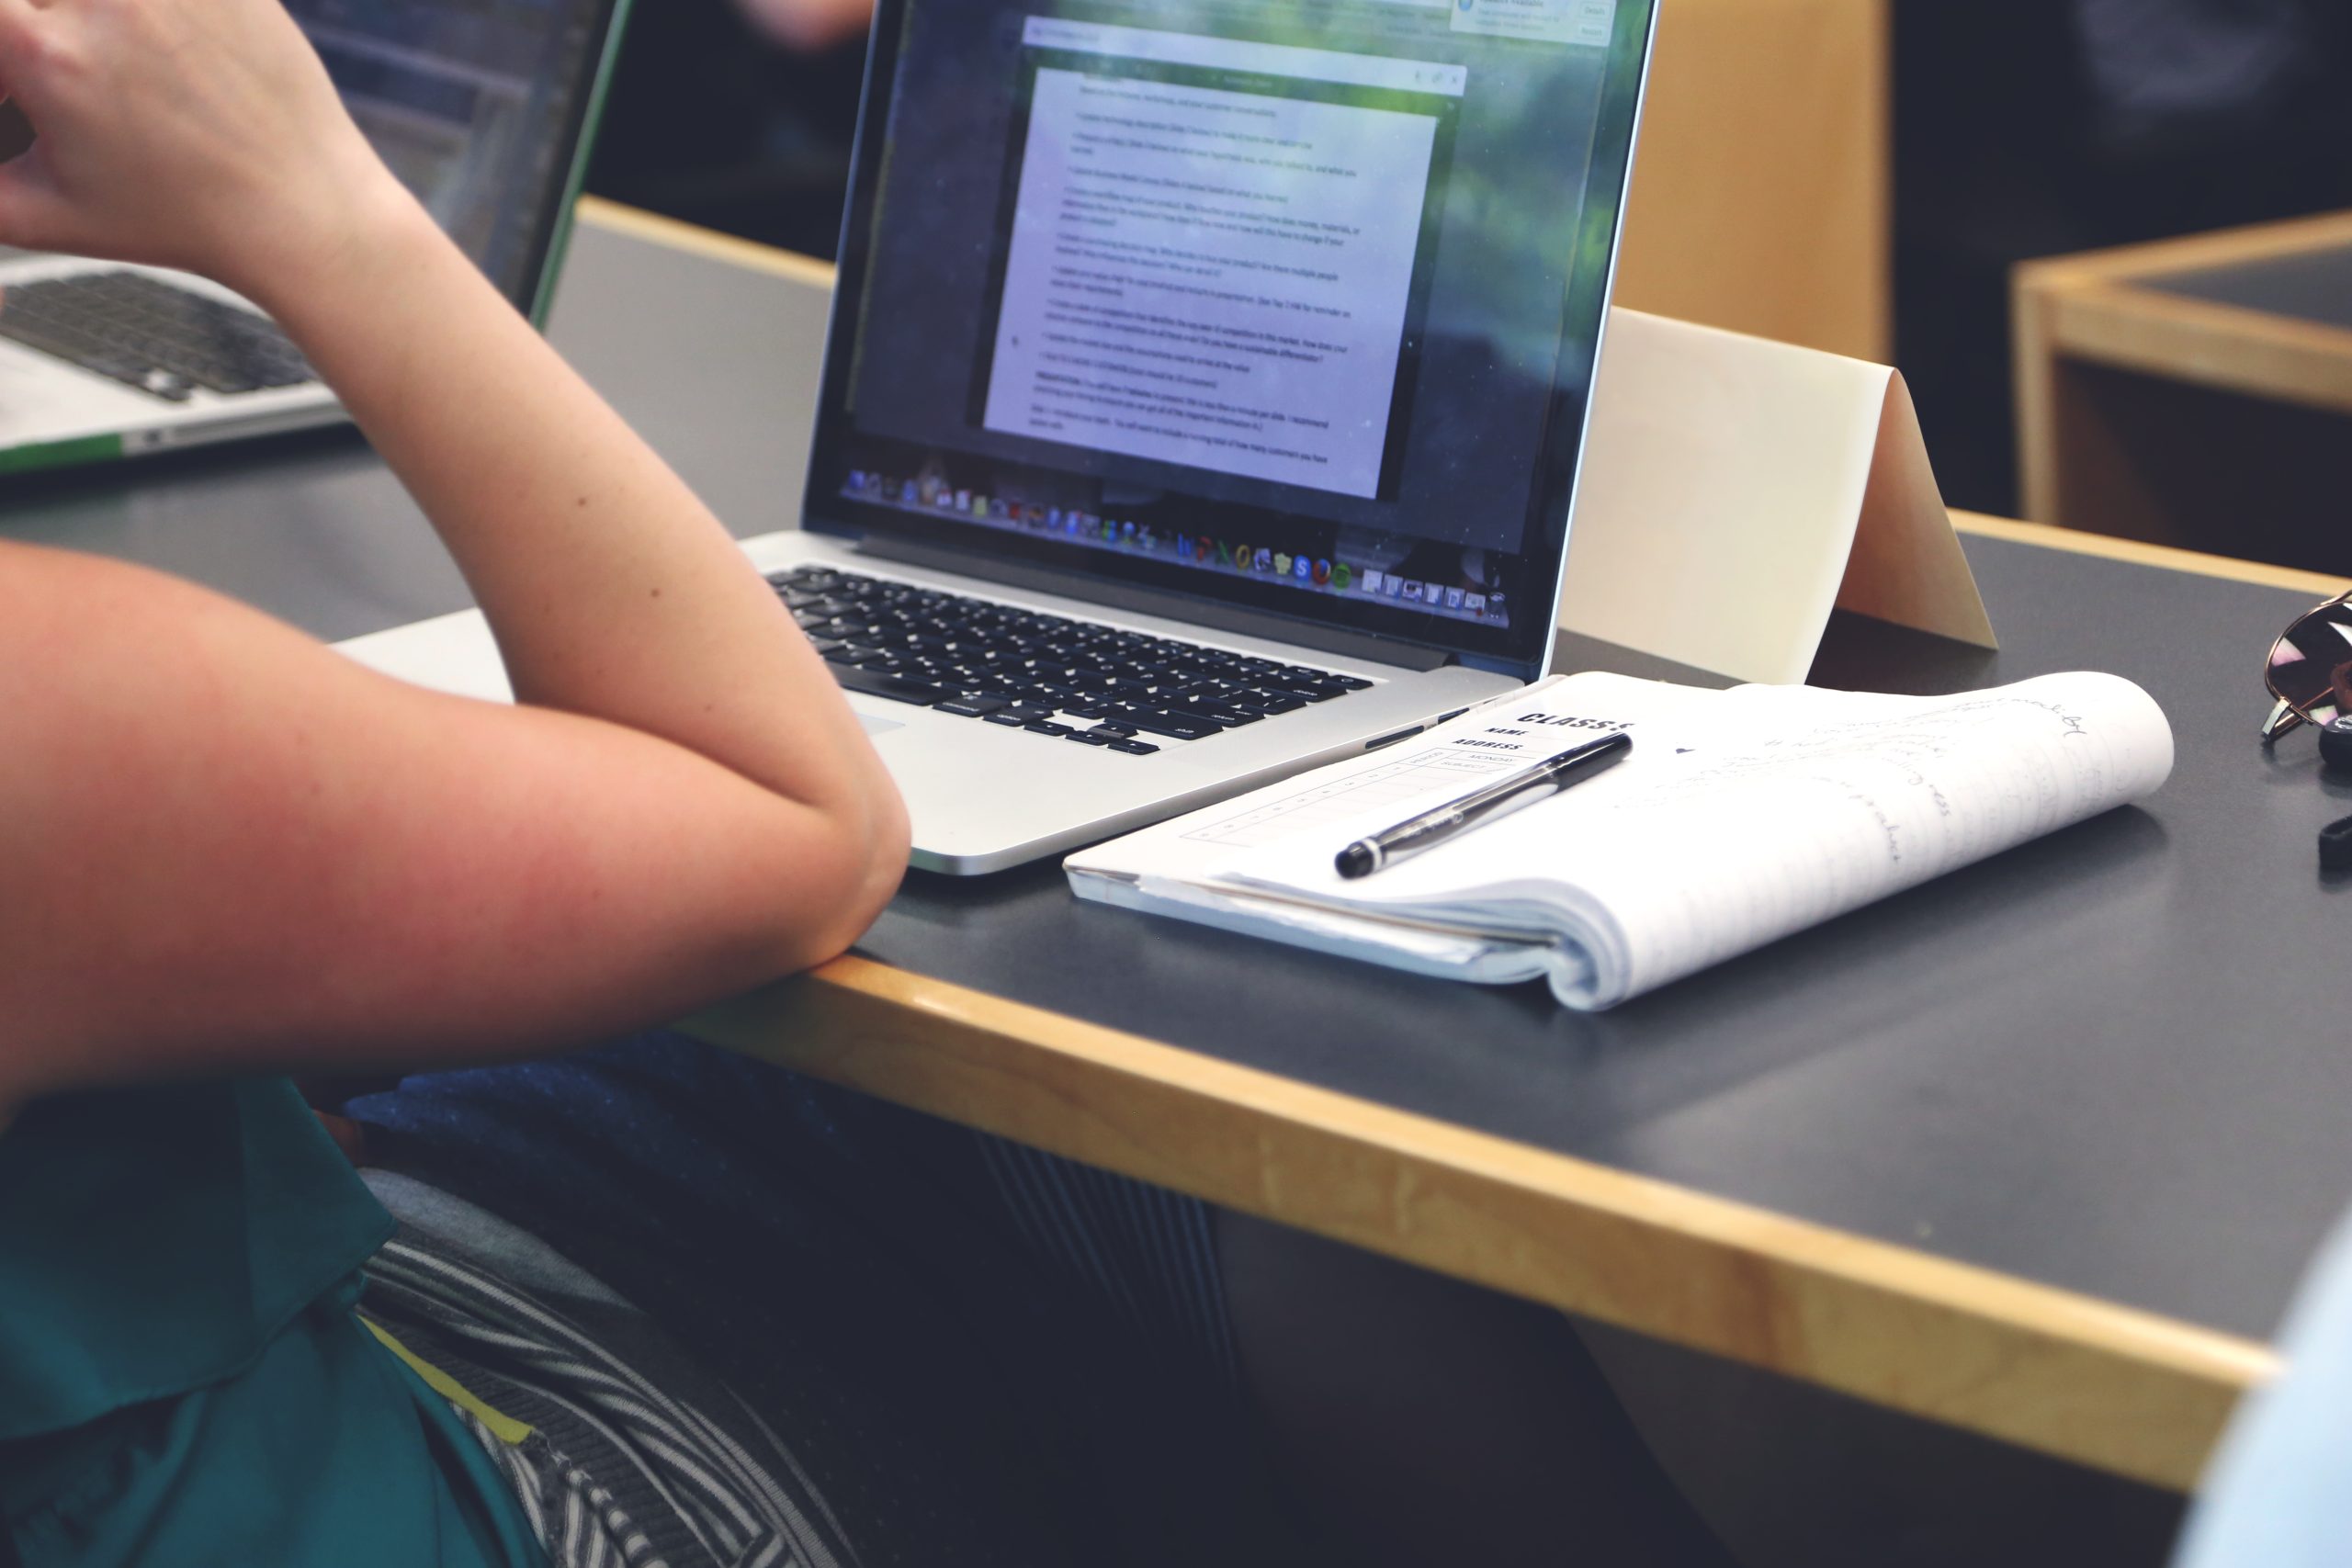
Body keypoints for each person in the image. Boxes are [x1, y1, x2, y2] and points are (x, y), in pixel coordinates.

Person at [0, 4, 1739, 1564]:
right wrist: (316, 197)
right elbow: (798, 828)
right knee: (1192, 1136)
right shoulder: (62, 707)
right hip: (417, 1495)